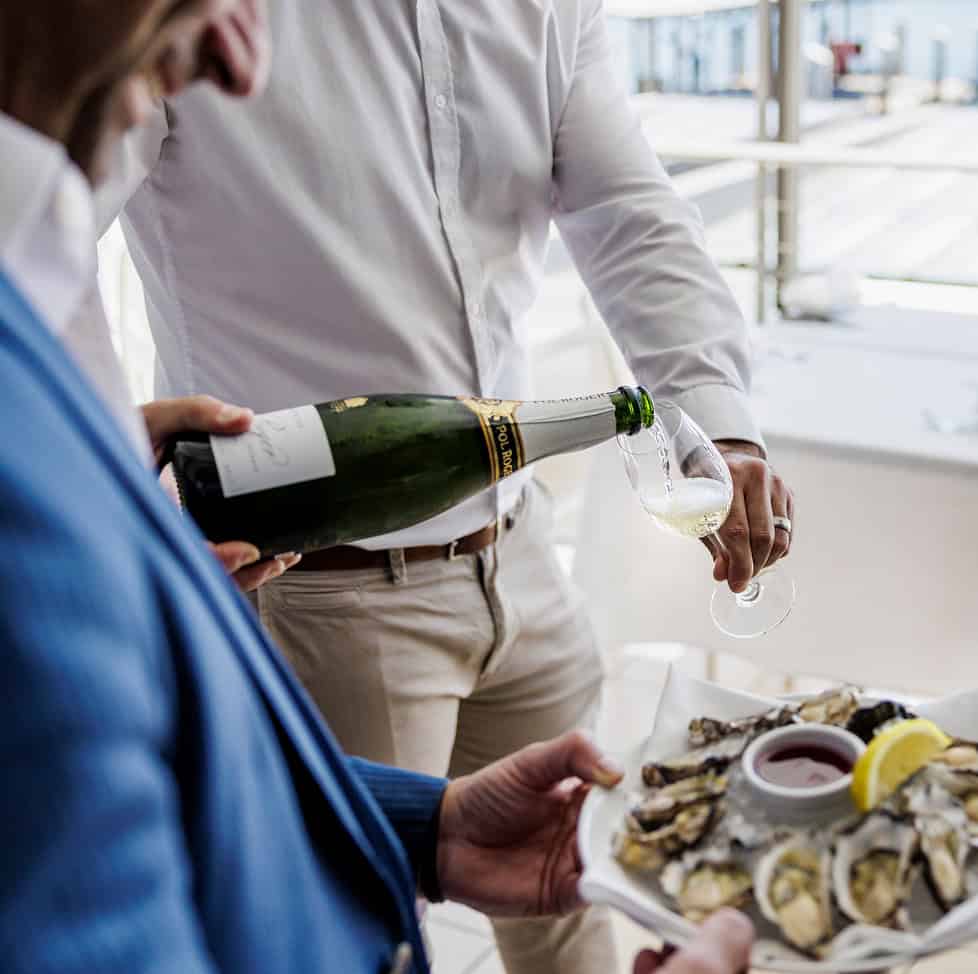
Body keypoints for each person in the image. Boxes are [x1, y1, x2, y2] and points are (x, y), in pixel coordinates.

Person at [0, 2, 760, 973]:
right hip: (327, 587)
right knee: (358, 928)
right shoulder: (40, 545)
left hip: (519, 549)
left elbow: (628, 209)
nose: (241, 61)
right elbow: (47, 210)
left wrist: (718, 418)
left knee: (573, 889)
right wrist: (87, 486)